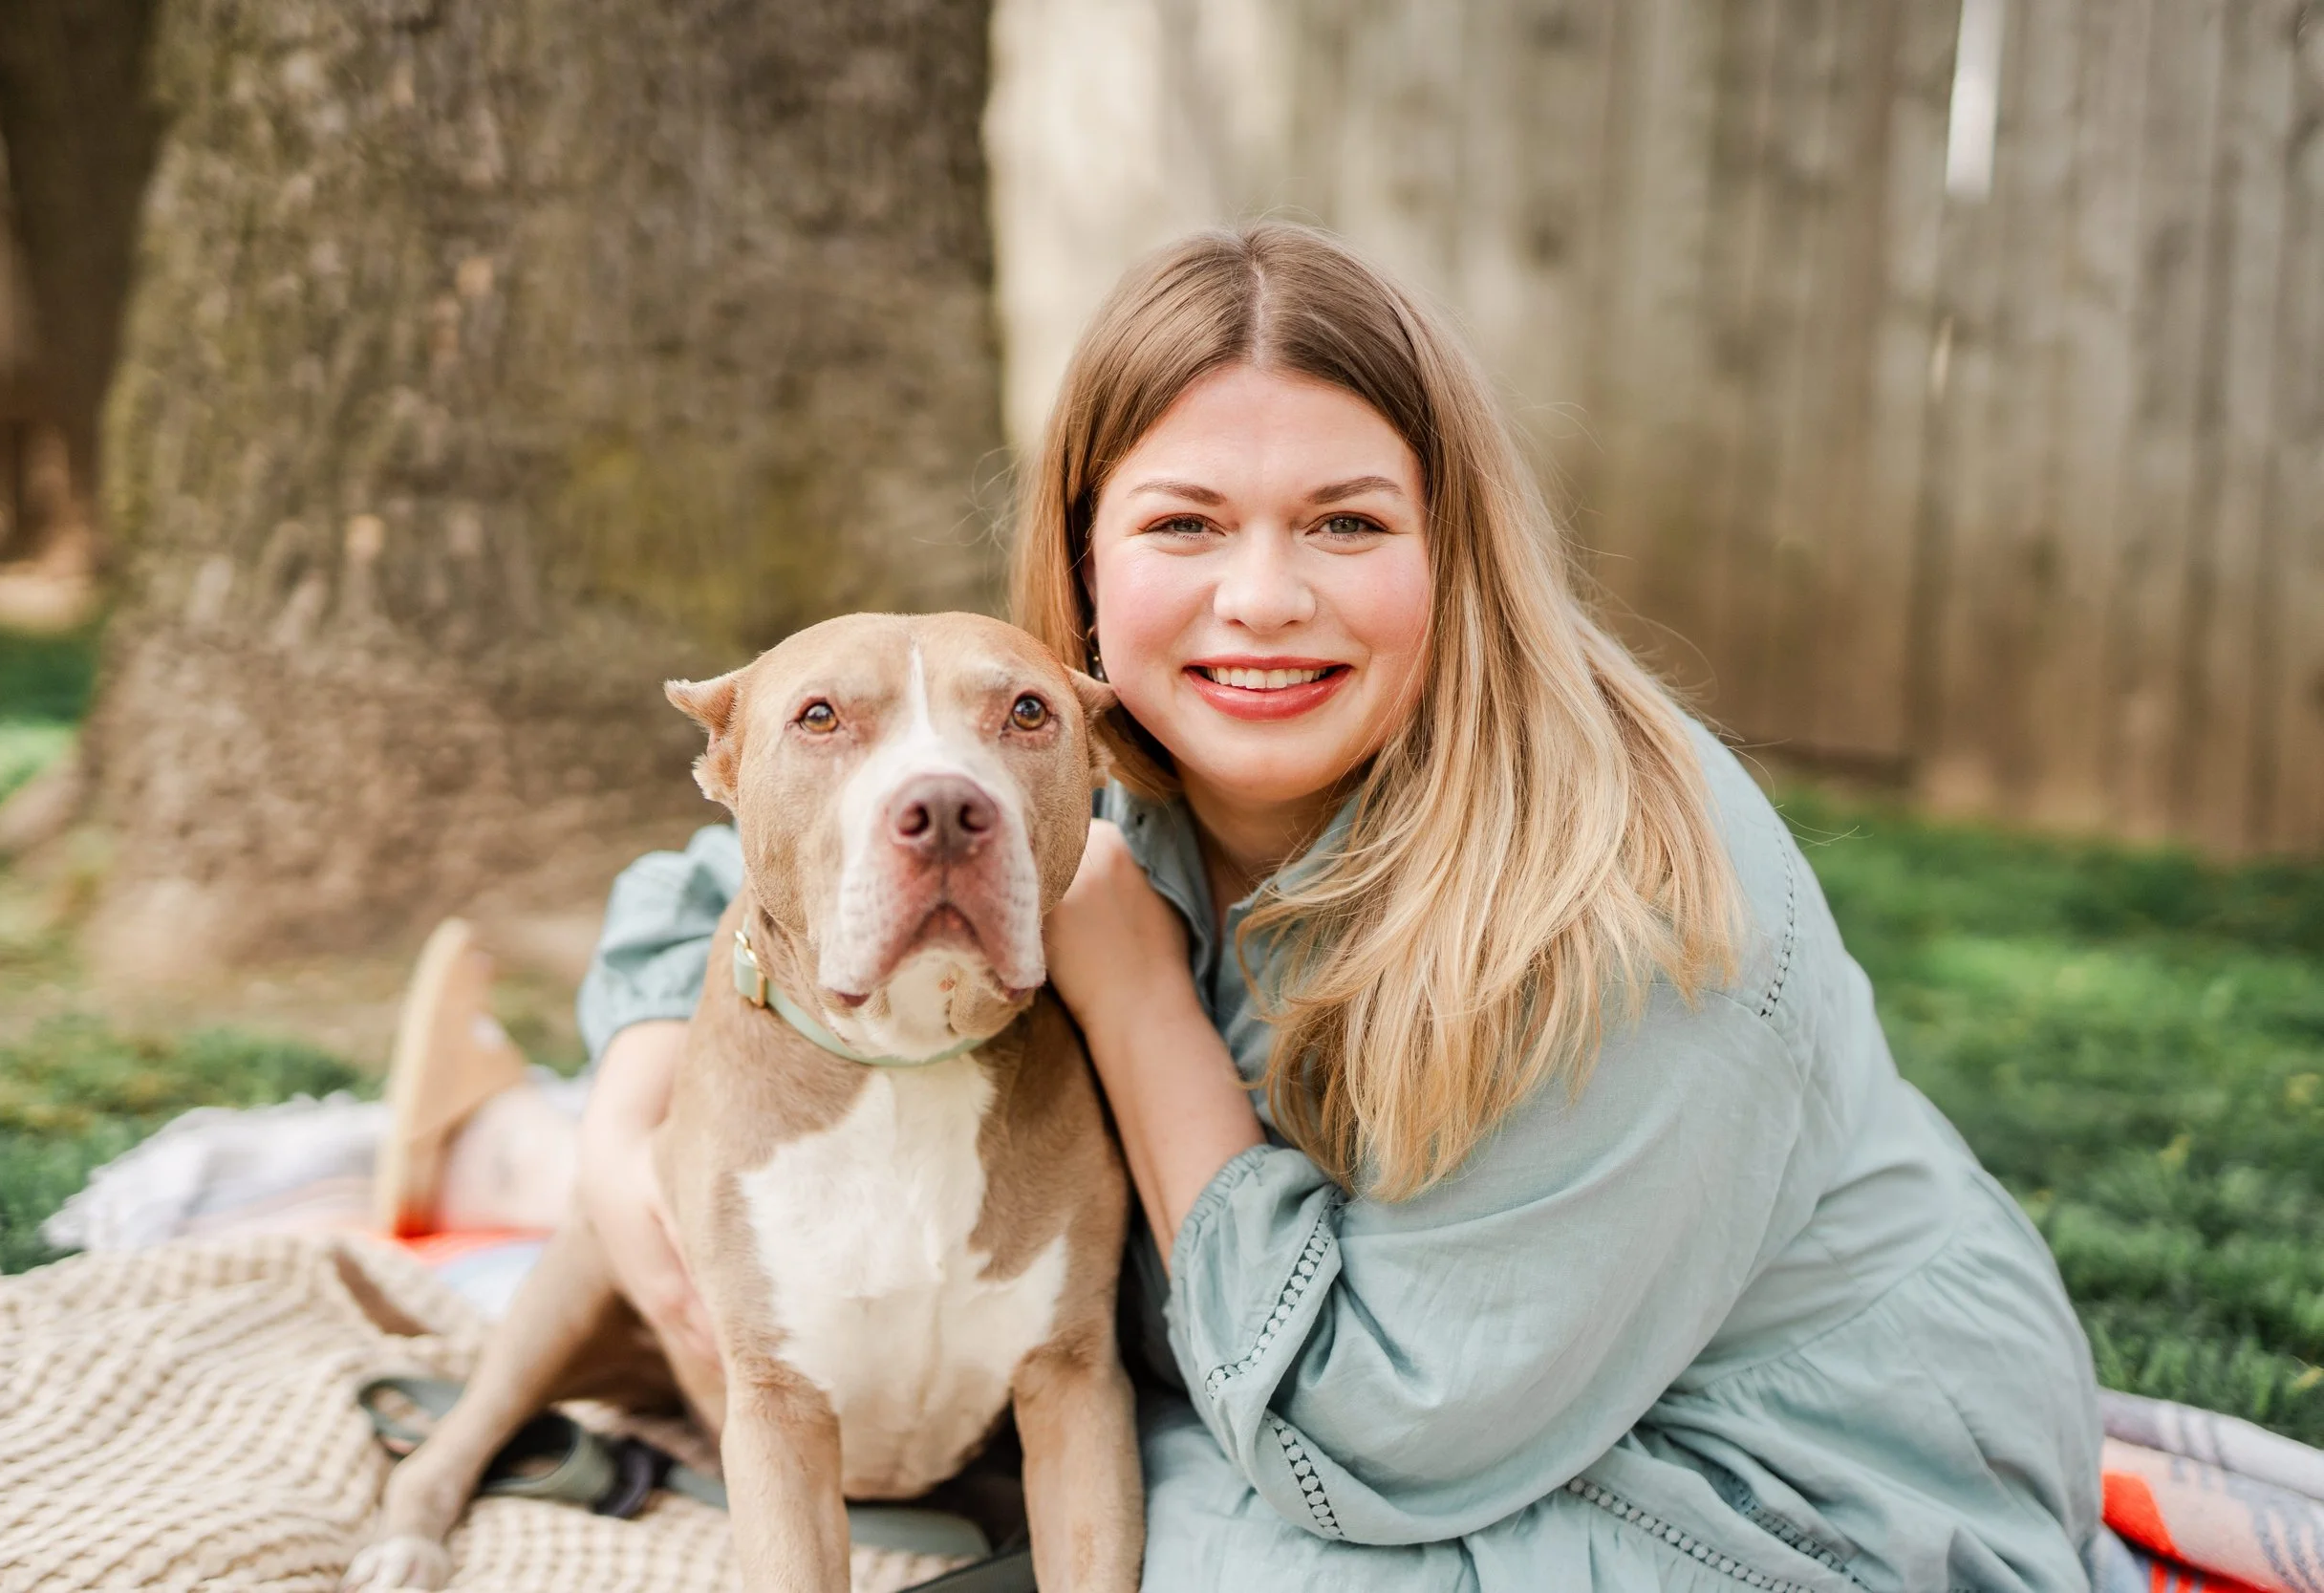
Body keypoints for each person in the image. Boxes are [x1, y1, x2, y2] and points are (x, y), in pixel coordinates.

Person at [387, 223, 2105, 1591]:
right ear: (1083, 566)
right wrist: (632, 1101)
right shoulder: (1072, 739)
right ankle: (509, 1142)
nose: (1262, 600)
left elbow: (1377, 1443)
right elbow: (764, 855)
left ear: (1458, 552)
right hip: (1371, 1399)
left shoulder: (1631, 890)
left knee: (1158, 1541)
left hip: (1770, 1495)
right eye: (1186, 522)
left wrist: (1132, 997)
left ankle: (487, 1150)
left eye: (1346, 522)